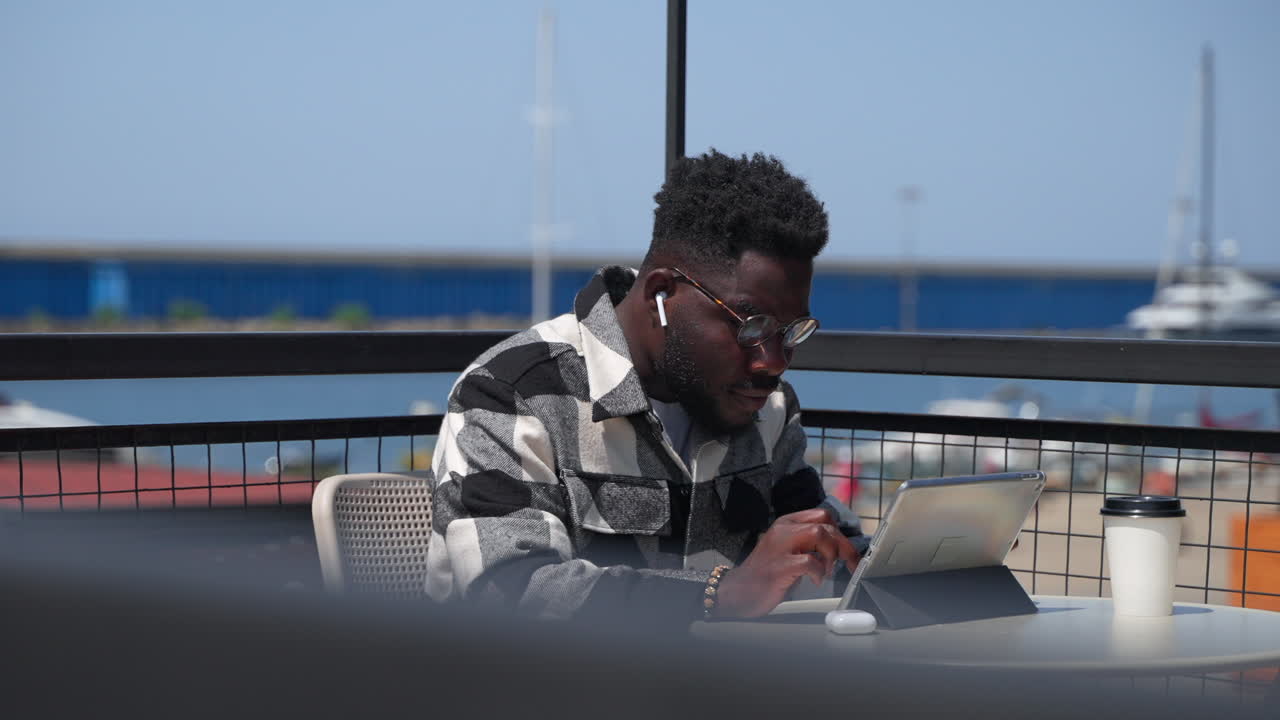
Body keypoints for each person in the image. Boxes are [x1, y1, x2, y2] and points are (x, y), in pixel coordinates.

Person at [425, 149, 865, 624]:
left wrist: (908, 561)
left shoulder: (768, 407)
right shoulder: (511, 393)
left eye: (791, 331)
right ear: (661, 295)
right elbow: (510, 589)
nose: (773, 362)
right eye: (752, 326)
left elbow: (830, 550)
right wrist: (724, 594)